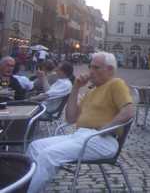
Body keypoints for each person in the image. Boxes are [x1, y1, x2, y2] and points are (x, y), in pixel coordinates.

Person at [26, 52, 134, 193]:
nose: (91, 71)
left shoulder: (115, 84)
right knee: (35, 146)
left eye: (96, 68)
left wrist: (108, 127)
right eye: (91, 67)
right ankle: (28, 187)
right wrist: (76, 87)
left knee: (48, 155)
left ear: (110, 70)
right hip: (81, 136)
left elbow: (129, 111)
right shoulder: (91, 91)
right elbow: (71, 118)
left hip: (102, 139)